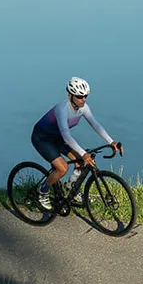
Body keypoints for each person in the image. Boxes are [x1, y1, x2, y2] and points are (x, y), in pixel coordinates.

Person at [31, 76, 122, 211]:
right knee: (62, 168)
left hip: (58, 137)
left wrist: (111, 141)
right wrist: (84, 153)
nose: (83, 99)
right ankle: (42, 191)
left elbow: (95, 125)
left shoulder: (83, 108)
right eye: (80, 96)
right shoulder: (61, 109)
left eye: (85, 96)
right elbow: (67, 137)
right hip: (42, 138)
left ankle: (72, 190)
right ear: (70, 95)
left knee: (80, 163)